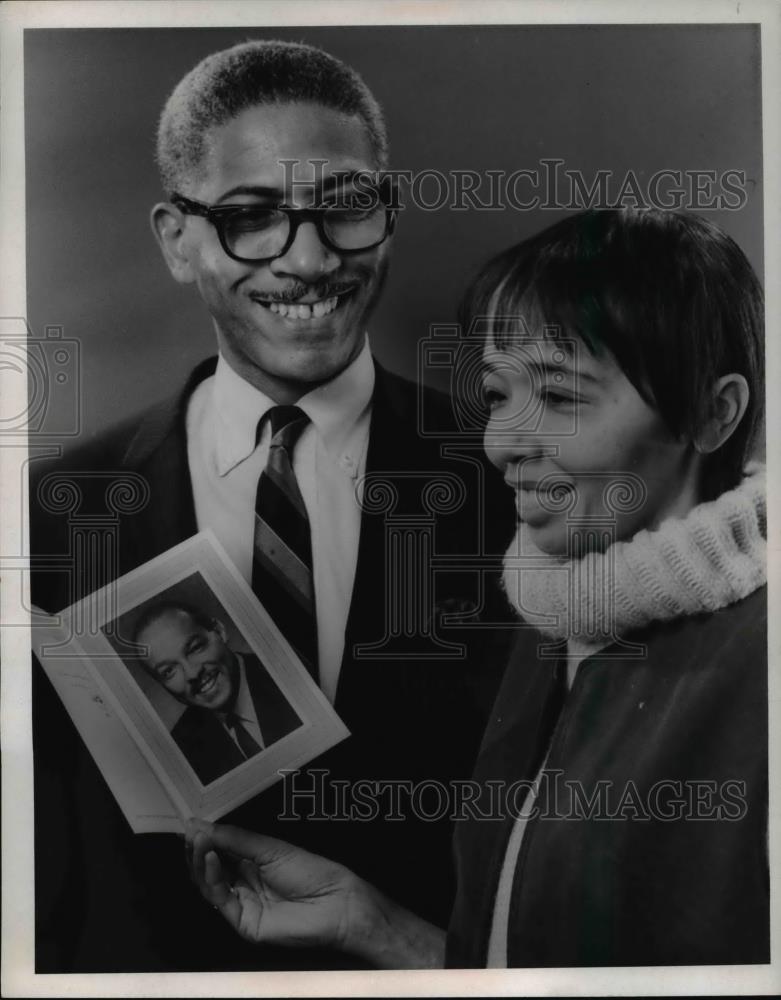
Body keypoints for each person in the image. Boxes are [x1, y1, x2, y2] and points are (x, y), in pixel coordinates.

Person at [30, 40, 513, 971]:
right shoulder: (52, 513)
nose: (307, 258)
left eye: (343, 210)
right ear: (176, 239)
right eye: (252, 217)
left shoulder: (513, 478)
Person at [184, 207, 768, 967]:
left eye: (558, 398)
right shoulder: (544, 630)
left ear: (712, 414)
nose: (502, 444)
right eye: (497, 395)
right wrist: (373, 924)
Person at [134, 602, 302, 783]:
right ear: (162, 684)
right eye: (168, 671)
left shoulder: (292, 672)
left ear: (219, 631)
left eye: (195, 648)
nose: (192, 673)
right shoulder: (182, 754)